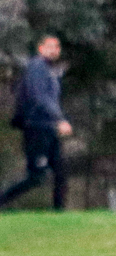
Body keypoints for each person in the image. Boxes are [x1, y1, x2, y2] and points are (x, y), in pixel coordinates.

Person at [2, 35, 72, 210]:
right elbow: (39, 97)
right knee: (36, 176)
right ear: (40, 48)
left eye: (57, 47)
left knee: (60, 171)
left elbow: (50, 98)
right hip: (37, 127)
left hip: (49, 127)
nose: (54, 50)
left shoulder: (50, 70)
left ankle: (59, 214)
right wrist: (59, 119)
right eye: (50, 46)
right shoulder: (37, 67)